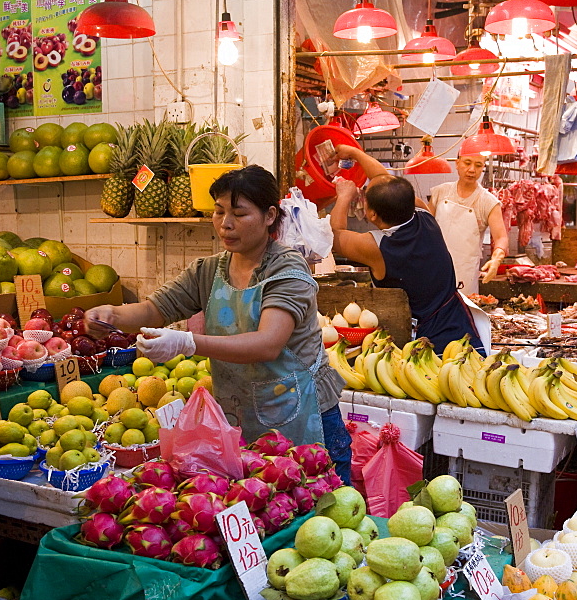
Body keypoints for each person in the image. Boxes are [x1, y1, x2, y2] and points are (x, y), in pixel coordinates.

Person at [85, 166, 351, 482]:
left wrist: (188, 342)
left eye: (239, 214)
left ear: (269, 216)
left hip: (303, 416)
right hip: (240, 419)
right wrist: (112, 315)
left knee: (316, 515)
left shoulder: (287, 267)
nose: (225, 224)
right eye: (219, 211)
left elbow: (268, 343)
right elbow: (155, 309)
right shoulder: (209, 270)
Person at [329, 175, 483, 351]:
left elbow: (333, 233)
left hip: (424, 345)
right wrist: (354, 153)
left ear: (372, 214)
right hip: (461, 331)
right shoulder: (425, 216)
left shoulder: (377, 247)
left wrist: (343, 196)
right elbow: (391, 183)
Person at [427, 141, 510, 295]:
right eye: (467, 163)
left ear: (483, 168)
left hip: (465, 274)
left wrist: (496, 259)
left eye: (478, 165)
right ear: (457, 164)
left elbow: (501, 238)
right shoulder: (440, 193)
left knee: (463, 314)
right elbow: (425, 230)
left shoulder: (488, 201)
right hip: (435, 268)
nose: (472, 170)